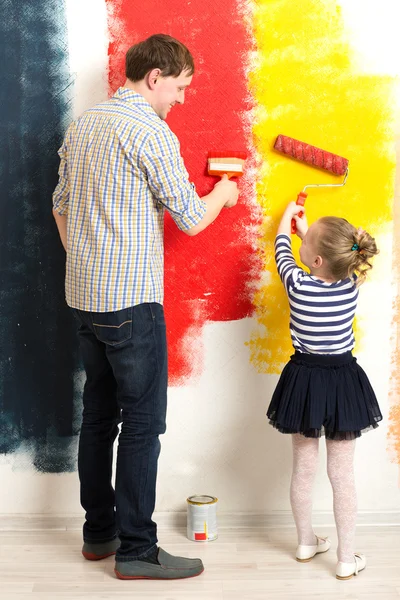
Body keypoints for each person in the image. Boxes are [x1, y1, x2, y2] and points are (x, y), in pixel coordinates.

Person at [52, 33, 239, 581]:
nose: (181, 99)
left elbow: (60, 207)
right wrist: (224, 195)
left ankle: (99, 535)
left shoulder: (85, 123)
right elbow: (190, 217)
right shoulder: (150, 132)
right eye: (179, 87)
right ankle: (137, 550)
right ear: (155, 77)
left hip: (86, 299)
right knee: (141, 426)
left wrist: (90, 262)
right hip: (132, 305)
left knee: (99, 419)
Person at [267, 201, 382, 580]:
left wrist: (289, 218)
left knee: (303, 470)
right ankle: (347, 559)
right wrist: (312, 236)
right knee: (342, 474)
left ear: (315, 261)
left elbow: (282, 246)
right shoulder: (351, 282)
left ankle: (304, 542)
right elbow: (331, 257)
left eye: (308, 244)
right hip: (343, 381)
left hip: (304, 381)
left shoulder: (296, 283)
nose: (301, 244)